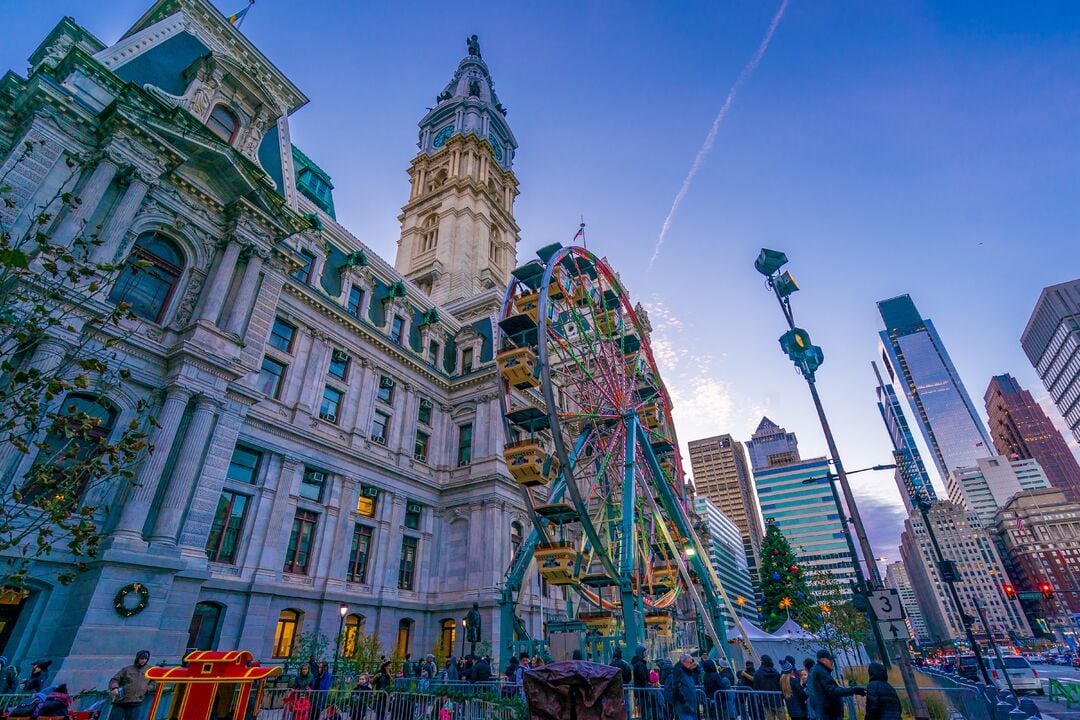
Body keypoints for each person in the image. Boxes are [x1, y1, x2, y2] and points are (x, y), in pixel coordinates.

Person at [807, 650, 864, 720]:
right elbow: (833, 690)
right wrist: (852, 690)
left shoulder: (817, 670)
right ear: (823, 660)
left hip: (824, 712)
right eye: (830, 659)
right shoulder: (821, 672)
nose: (832, 662)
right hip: (828, 714)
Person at [108, 651, 154, 720]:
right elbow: (114, 679)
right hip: (121, 701)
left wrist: (147, 689)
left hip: (136, 702)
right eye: (142, 658)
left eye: (145, 659)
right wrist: (114, 688)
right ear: (137, 658)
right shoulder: (127, 669)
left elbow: (154, 682)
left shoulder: (150, 670)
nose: (143, 660)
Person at [665, 654, 698, 720]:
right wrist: (683, 702)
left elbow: (698, 670)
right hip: (683, 704)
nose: (692, 664)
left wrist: (694, 663)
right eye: (690, 662)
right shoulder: (679, 671)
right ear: (684, 662)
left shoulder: (686, 671)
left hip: (689, 704)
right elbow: (676, 687)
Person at [754, 655, 783, 720]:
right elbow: (780, 685)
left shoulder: (758, 673)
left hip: (765, 700)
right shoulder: (776, 672)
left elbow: (756, 688)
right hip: (777, 699)